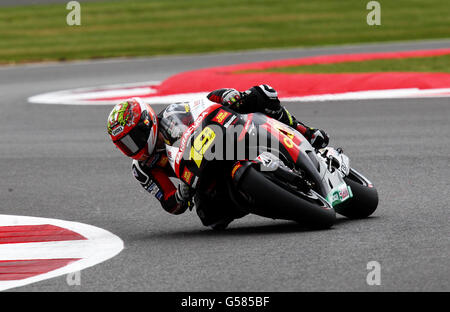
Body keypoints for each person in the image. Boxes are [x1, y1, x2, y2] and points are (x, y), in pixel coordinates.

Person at [107, 84, 329, 229]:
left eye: (132, 139)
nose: (132, 148)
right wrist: (181, 195)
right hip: (199, 178)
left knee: (262, 95)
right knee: (210, 218)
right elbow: (169, 203)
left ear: (147, 123)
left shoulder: (171, 115)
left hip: (219, 139)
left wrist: (227, 96)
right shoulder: (141, 169)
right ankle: (273, 198)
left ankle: (306, 132)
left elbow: (202, 103)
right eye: (124, 145)